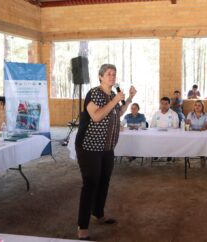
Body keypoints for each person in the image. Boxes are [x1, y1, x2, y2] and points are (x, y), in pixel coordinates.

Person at [75, 64, 137, 240]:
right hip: (89, 147)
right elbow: (96, 116)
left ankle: (99, 213)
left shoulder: (112, 95)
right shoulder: (94, 93)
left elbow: (119, 112)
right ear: (100, 77)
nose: (112, 76)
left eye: (114, 74)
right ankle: (82, 225)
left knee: (104, 181)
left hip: (107, 147)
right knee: (90, 184)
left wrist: (130, 98)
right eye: (108, 74)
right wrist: (116, 99)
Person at [151, 97, 179, 162]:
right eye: (162, 103)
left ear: (169, 104)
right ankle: (156, 154)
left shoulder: (174, 114)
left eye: (166, 104)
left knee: (169, 139)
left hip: (169, 135)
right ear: (160, 104)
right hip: (158, 135)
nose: (164, 105)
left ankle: (169, 154)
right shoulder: (156, 113)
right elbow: (152, 126)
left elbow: (175, 126)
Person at [186, 100, 207, 167]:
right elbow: (187, 123)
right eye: (196, 105)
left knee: (203, 142)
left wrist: (203, 128)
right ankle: (190, 154)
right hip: (192, 133)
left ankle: (202, 156)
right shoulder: (190, 114)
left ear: (202, 107)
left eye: (199, 105)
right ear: (194, 106)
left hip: (202, 133)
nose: (197, 107)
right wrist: (188, 125)